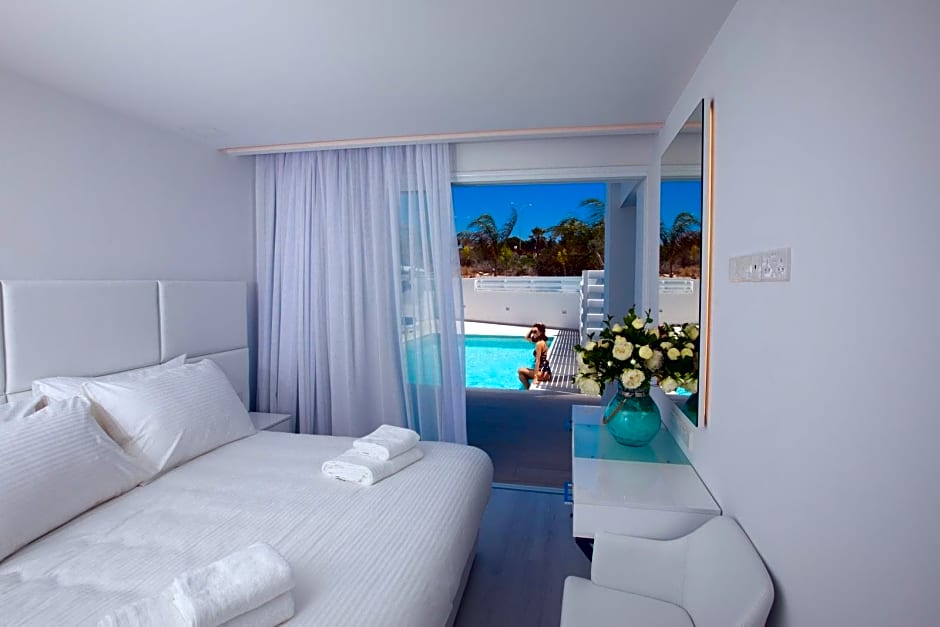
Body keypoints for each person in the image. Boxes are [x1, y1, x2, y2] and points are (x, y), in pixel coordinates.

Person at [518, 322, 552, 389]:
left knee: (520, 370)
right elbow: (526, 337)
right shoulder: (541, 341)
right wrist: (532, 330)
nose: (533, 333)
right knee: (521, 375)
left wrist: (535, 377)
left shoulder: (539, 344)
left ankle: (528, 389)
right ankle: (528, 389)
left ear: (541, 332)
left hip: (543, 374)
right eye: (533, 331)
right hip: (545, 372)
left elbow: (538, 361)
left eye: (535, 332)